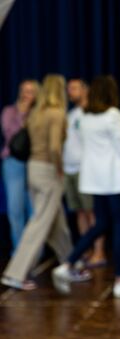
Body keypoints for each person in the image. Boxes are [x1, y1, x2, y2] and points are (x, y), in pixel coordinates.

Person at [52, 75, 120, 298]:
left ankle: (67, 264)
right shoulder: (113, 115)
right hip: (114, 179)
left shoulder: (85, 118)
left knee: (101, 224)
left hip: (94, 181)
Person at [1, 75, 74, 290]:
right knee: (40, 222)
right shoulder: (56, 113)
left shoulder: (36, 114)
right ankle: (15, 272)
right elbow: (53, 147)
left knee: (56, 222)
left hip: (33, 169)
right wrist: (59, 169)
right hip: (47, 170)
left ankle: (71, 262)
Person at [63, 78, 106, 267]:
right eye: (68, 89)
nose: (70, 92)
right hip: (69, 169)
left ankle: (99, 252)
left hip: (86, 169)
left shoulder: (93, 113)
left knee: (92, 212)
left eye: (74, 88)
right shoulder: (71, 114)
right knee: (80, 212)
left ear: (85, 89)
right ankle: (86, 250)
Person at [0, 80, 39, 253]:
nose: (26, 95)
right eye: (24, 90)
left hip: (34, 162)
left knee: (34, 209)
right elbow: (10, 133)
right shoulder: (9, 111)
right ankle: (19, 251)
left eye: (31, 91)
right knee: (15, 209)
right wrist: (22, 115)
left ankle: (34, 251)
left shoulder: (39, 114)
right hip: (13, 162)